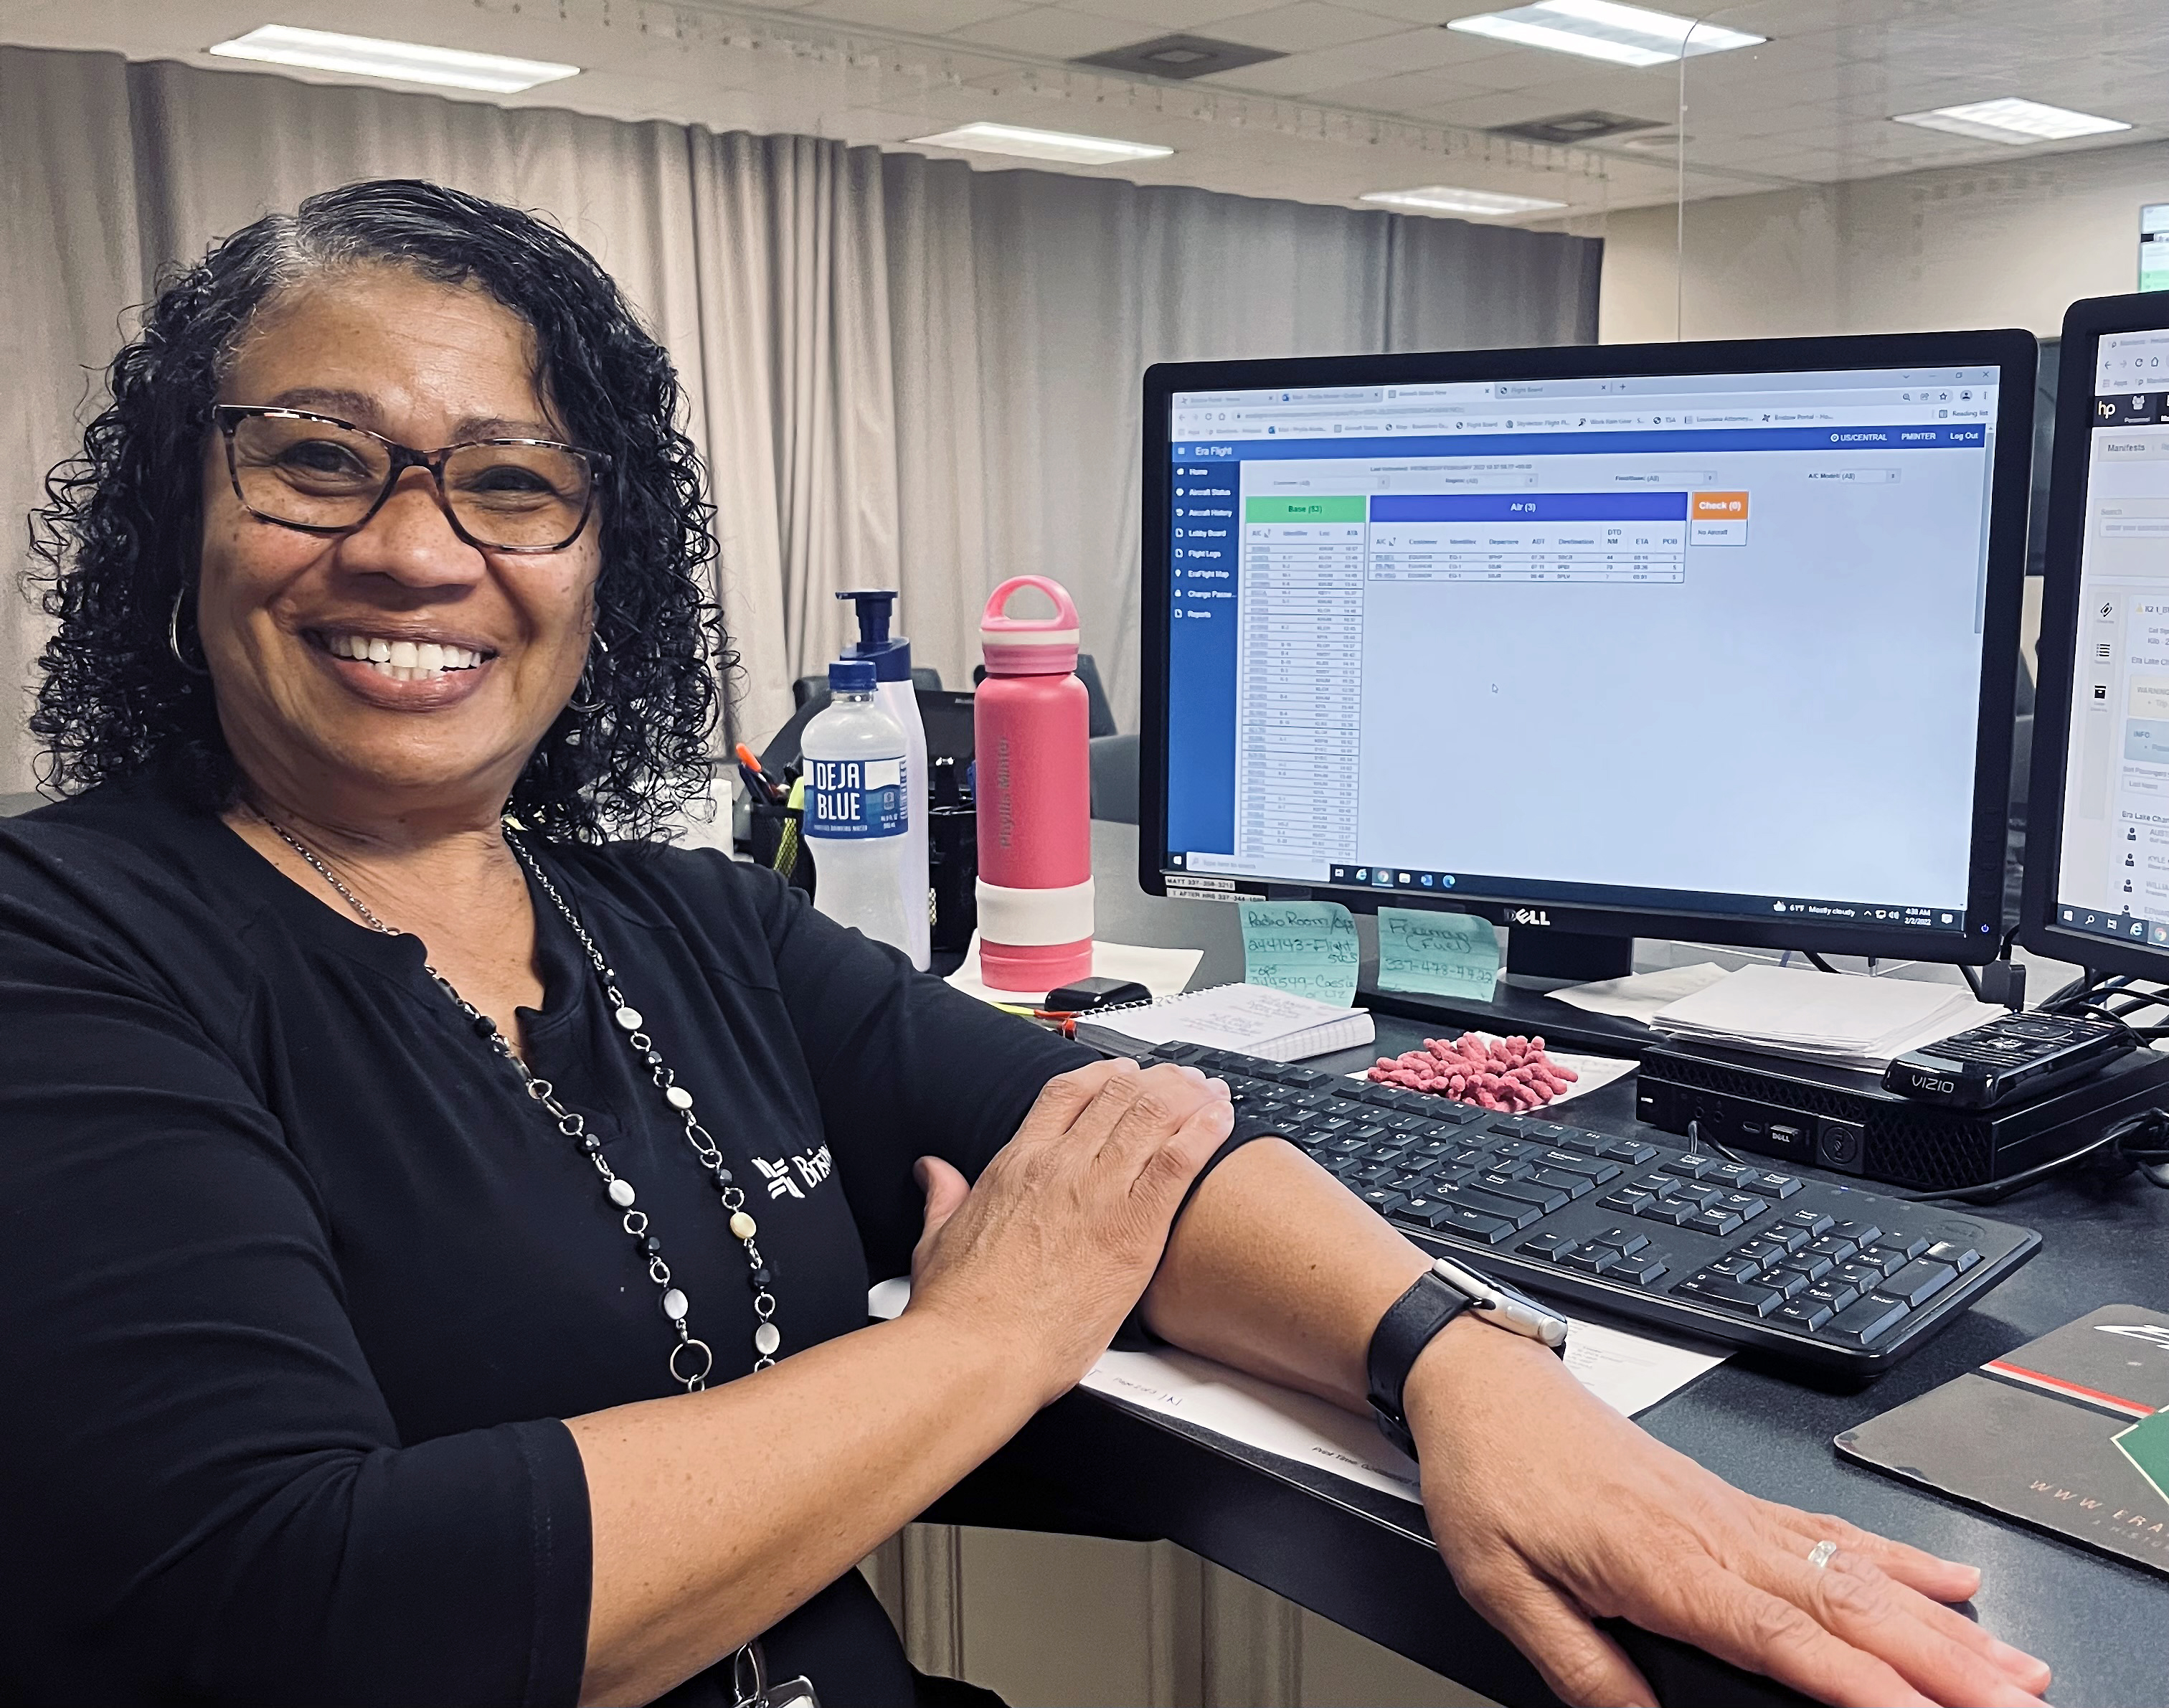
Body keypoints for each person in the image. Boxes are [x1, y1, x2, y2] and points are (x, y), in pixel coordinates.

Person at [0, 178, 2050, 1708]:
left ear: (598, 560)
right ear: (177, 518)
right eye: (318, 459)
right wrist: (989, 1336)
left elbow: (1138, 1143)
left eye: (513, 482)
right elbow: (302, 1610)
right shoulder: (71, 944)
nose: (416, 546)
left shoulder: (684, 922)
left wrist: (1465, 1365)